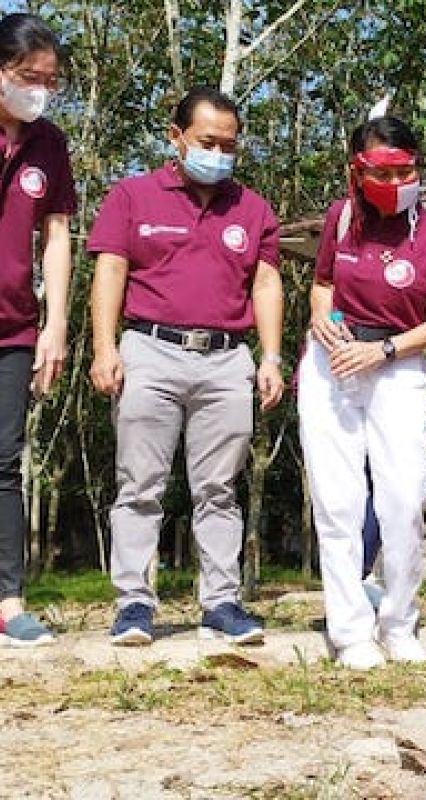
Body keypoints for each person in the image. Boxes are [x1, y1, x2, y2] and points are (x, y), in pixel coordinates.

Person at [89, 86, 284, 646]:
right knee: (140, 484)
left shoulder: (252, 208)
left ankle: (221, 603)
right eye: (207, 142)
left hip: (227, 360)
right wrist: (106, 348)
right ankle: (133, 603)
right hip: (149, 350)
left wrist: (270, 357)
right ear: (175, 137)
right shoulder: (132, 196)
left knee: (219, 488)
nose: (219, 153)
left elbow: (266, 282)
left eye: (229, 145)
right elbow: (110, 272)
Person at [297, 114, 426, 670]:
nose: (396, 184)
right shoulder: (340, 219)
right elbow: (323, 283)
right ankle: (350, 632)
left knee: (403, 495)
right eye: (383, 173)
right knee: (338, 498)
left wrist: (386, 350)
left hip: (397, 363)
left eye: (407, 171)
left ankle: (398, 619)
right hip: (333, 363)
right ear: (356, 171)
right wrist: (322, 319)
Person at [0, 13, 74, 646]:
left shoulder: (48, 142)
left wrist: (56, 324)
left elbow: (55, 236)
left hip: (15, 326)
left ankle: (7, 599)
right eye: (28, 77)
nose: (39, 90)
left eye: (50, 81)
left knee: (3, 464)